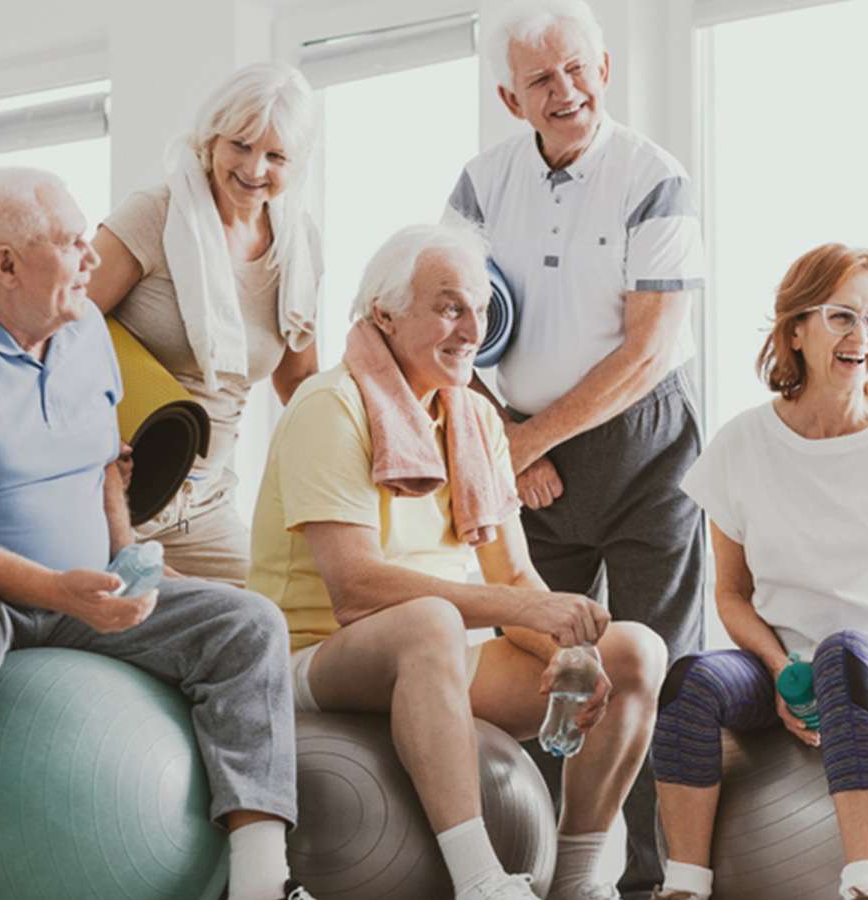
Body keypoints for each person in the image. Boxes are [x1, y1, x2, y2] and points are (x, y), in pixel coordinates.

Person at [0, 167, 311, 900]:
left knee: (246, 622)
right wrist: (56, 587)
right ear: (6, 266)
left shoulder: (85, 329)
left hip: (68, 590)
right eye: (72, 243)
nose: (92, 258)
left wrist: (127, 559)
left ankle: (260, 881)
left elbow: (101, 469)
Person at [248, 223, 667, 900]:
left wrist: (558, 645)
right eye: (449, 307)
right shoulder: (330, 406)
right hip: (314, 657)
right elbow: (356, 588)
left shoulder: (472, 419)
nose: (473, 328)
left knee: (632, 653)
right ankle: (479, 880)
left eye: (480, 308)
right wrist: (523, 613)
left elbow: (513, 576)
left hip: (432, 656)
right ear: (384, 314)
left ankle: (580, 881)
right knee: (431, 622)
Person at [445, 1, 707, 890]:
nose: (566, 92)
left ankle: (649, 883)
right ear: (510, 99)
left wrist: (523, 443)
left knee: (655, 673)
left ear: (605, 70)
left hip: (643, 449)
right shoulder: (481, 184)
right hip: (530, 453)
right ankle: (546, 873)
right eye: (541, 80)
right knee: (550, 674)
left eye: (578, 70)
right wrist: (511, 443)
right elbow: (448, 324)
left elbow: (649, 349)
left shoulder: (652, 175)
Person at [647, 245, 868, 900]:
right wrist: (777, 671)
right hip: (779, 665)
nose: (863, 337)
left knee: (843, 655)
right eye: (842, 316)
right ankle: (683, 885)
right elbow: (732, 595)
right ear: (795, 329)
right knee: (689, 681)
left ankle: (866, 884)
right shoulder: (741, 444)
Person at [87, 62, 321, 585]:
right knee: (210, 625)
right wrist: (97, 445)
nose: (255, 168)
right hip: (117, 493)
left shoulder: (297, 246)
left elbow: (300, 382)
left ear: (296, 163)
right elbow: (57, 328)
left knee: (272, 622)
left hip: (207, 502)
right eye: (240, 144)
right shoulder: (153, 215)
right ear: (211, 138)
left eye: (275, 155)